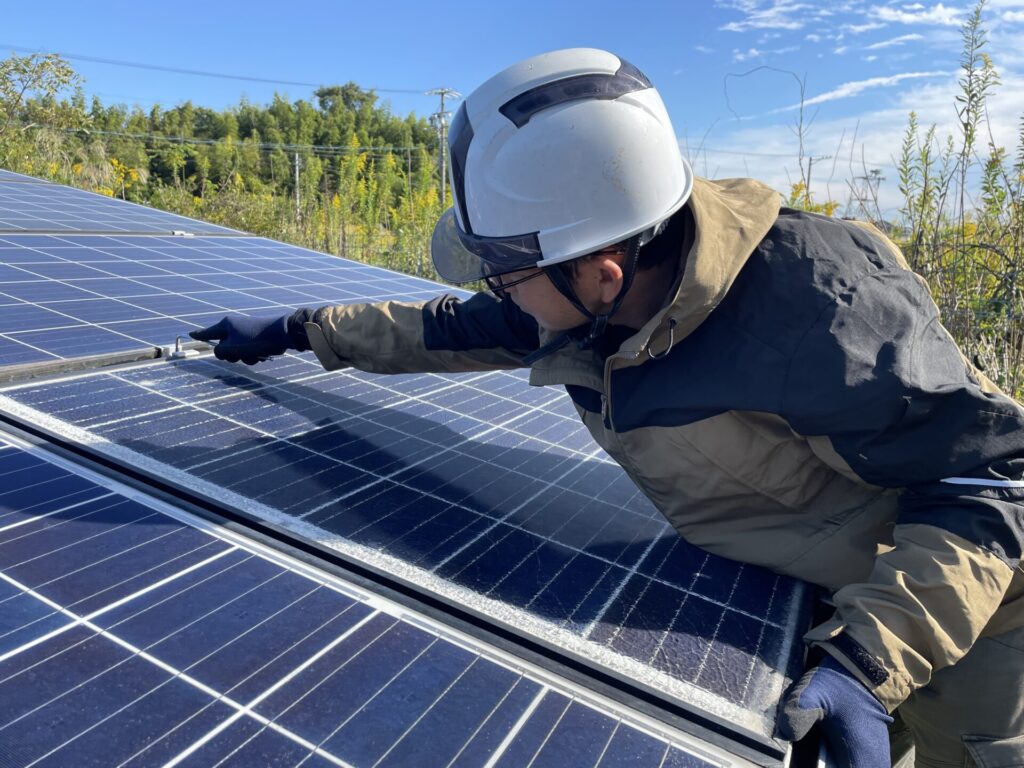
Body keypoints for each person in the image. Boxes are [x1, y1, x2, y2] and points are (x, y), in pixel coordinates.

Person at [191, 48, 1024, 767]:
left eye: (506, 271)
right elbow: (451, 328)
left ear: (602, 270)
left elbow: (992, 489)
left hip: (970, 626)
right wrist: (304, 331)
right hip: (809, 592)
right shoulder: (586, 297)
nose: (496, 291)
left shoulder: (818, 310)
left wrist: (868, 661)